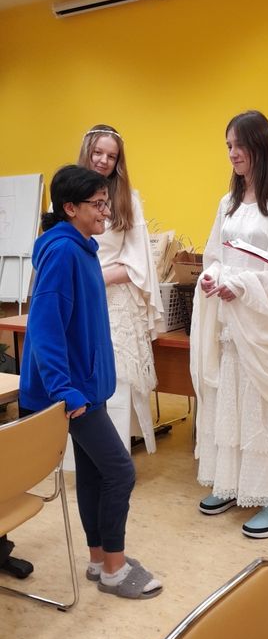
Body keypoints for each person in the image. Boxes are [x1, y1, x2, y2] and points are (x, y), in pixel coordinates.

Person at [19, 164, 162, 600]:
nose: (105, 211)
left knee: (96, 472)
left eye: (105, 202)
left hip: (85, 386)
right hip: (71, 392)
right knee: (121, 471)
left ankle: (99, 560)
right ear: (70, 208)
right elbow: (44, 329)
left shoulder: (82, 248)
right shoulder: (62, 252)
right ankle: (115, 568)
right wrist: (65, 391)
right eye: (98, 204)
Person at [190, 110, 268, 538]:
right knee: (232, 400)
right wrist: (212, 277)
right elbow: (214, 255)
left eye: (239, 145)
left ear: (260, 145)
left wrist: (241, 285)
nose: (233, 153)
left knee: (262, 406)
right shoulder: (228, 203)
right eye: (228, 146)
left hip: (265, 323)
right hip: (231, 322)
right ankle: (234, 483)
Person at [77, 124, 163, 454]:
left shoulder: (128, 200)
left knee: (116, 379)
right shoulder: (67, 198)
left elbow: (138, 264)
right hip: (77, 299)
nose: (103, 160)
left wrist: (94, 278)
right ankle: (79, 454)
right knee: (80, 374)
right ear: (86, 151)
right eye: (98, 152)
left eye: (111, 156)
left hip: (113, 299)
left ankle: (114, 456)